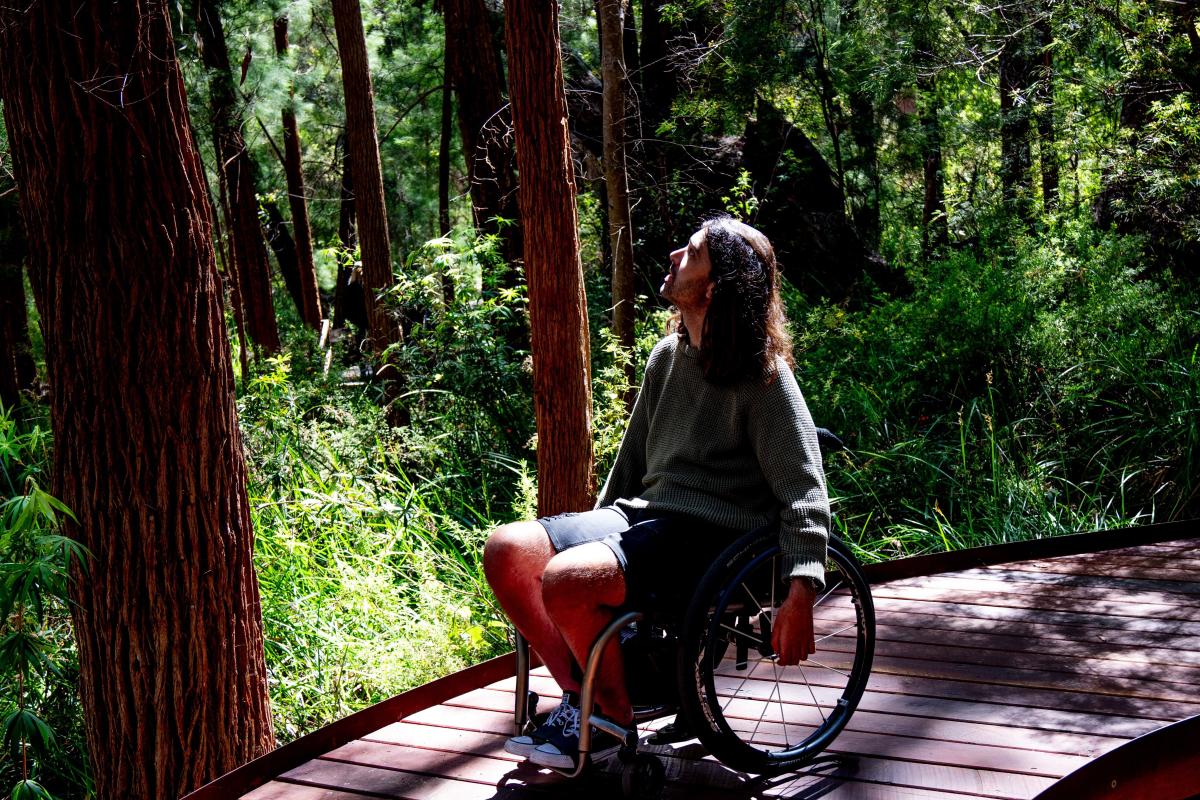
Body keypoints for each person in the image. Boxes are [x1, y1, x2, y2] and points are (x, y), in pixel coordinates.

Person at [483, 214, 830, 770]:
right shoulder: (667, 357)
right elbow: (631, 464)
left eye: (690, 253)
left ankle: (609, 720)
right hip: (644, 517)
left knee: (565, 581)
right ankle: (585, 699)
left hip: (715, 535)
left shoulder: (764, 377)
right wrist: (589, 535)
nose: (673, 255)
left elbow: (805, 490)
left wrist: (801, 591)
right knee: (508, 551)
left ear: (714, 288)